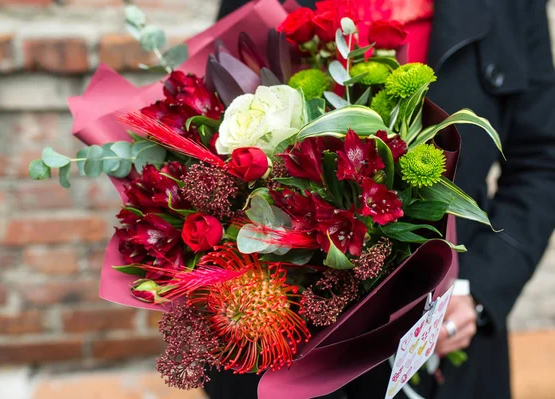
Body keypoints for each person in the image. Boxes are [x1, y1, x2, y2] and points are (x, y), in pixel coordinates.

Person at [206, 0, 555, 398]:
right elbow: (206, 137)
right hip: (280, 337)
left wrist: (481, 292)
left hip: (448, 346)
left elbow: (540, 159)